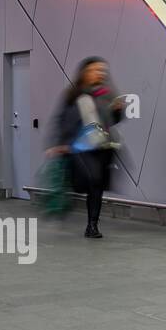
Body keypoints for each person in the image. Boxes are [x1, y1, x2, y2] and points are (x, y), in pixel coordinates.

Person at [46, 57, 124, 239]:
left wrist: (118, 111)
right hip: (81, 146)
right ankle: (68, 201)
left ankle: (92, 226)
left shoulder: (107, 94)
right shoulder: (74, 94)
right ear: (85, 72)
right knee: (91, 179)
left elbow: (113, 121)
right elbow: (62, 120)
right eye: (95, 70)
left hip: (102, 146)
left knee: (96, 186)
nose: (99, 73)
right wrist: (59, 143)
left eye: (102, 70)